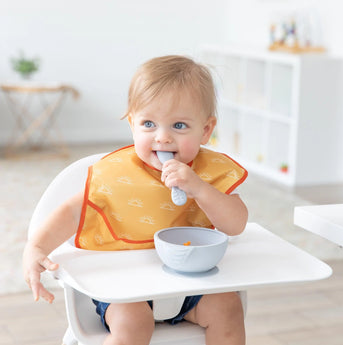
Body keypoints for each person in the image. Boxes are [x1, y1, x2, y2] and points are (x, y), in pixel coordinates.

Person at [23, 55, 248, 345]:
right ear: (133, 124)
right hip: (123, 286)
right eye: (149, 124)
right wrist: (36, 248)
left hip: (191, 285)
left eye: (179, 126)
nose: (163, 138)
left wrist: (200, 189)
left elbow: (236, 224)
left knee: (228, 308)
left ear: (205, 130)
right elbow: (71, 212)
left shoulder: (209, 174)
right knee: (133, 323)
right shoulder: (119, 175)